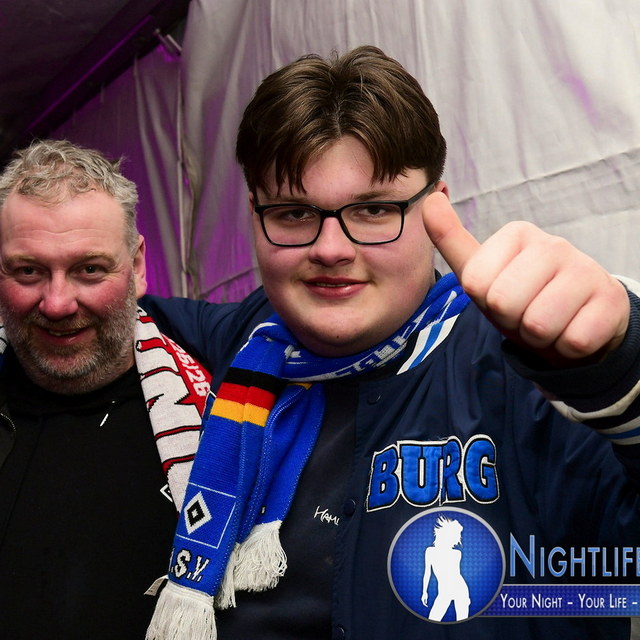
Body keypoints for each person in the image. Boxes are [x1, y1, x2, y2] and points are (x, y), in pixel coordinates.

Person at [143, 46, 640, 639]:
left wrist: (621, 366)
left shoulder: (523, 369)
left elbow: (619, 575)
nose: (331, 249)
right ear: (255, 216)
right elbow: (110, 313)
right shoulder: (250, 339)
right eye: (294, 213)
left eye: (375, 209)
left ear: (436, 209)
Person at [0, 139, 211, 639]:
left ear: (136, 265)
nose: (57, 303)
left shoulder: (213, 417)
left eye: (89, 269)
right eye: (28, 271)